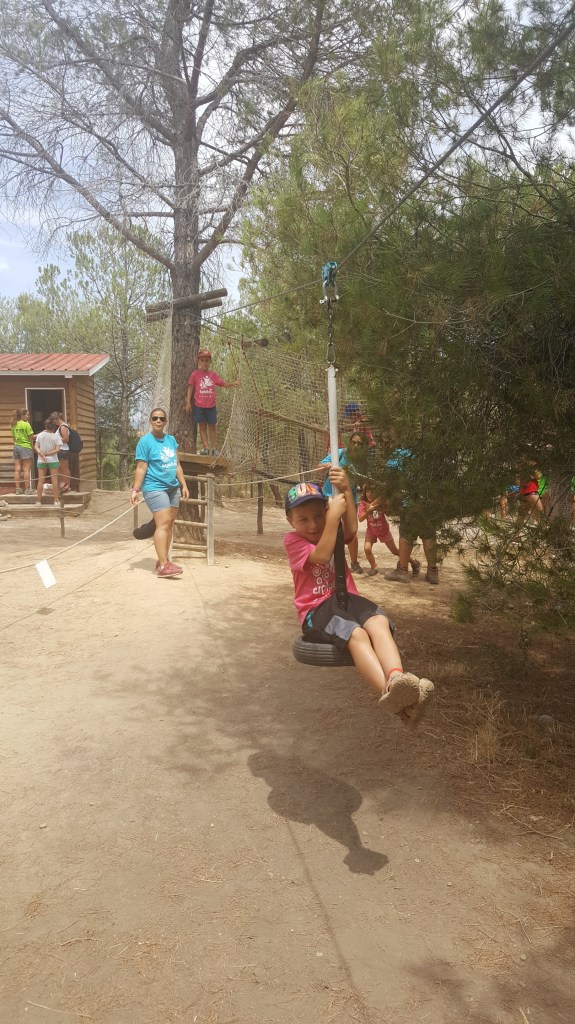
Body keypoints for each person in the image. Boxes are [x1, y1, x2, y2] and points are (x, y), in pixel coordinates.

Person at [284, 471, 434, 728]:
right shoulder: (293, 540)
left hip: (347, 600)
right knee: (357, 634)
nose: (313, 525)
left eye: (319, 515)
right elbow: (321, 556)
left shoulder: (331, 527)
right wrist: (332, 518)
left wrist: (347, 491)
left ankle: (397, 679)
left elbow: (351, 530)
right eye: (303, 519)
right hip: (316, 610)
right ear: (290, 521)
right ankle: (390, 695)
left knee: (378, 621)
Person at [130, 408, 190, 578]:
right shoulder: (145, 442)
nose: (158, 421)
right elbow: (141, 467)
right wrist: (135, 490)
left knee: (169, 523)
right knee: (162, 524)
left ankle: (163, 560)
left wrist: (184, 485)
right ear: (150, 421)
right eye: (155, 418)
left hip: (172, 487)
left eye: (161, 418)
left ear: (165, 421)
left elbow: (177, 465)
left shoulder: (171, 440)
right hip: (154, 487)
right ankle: (164, 566)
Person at [382, 448, 440, 585]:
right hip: (429, 500)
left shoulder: (402, 452)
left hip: (409, 502)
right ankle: (433, 572)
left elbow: (390, 478)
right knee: (429, 534)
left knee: (406, 534)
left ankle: (402, 570)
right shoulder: (433, 451)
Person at [318, 432, 364, 573]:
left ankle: (354, 563)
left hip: (349, 498)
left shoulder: (363, 462)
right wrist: (325, 465)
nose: (356, 445)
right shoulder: (340, 453)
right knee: (327, 527)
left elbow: (363, 483)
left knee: (351, 531)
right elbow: (319, 467)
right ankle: (327, 560)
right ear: (349, 442)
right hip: (329, 495)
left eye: (359, 444)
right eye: (353, 442)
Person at [184, 349, 240, 456]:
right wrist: (188, 403)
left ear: (210, 362)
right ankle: (206, 448)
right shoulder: (195, 374)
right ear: (199, 362)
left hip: (211, 406)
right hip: (199, 405)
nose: (204, 363)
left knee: (212, 427)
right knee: (202, 427)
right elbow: (190, 388)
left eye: (207, 360)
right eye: (202, 360)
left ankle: (214, 449)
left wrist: (233, 384)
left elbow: (223, 384)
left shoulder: (213, 375)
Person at [358, 484, 420, 577]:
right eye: (367, 492)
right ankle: (374, 567)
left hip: (383, 530)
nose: (369, 494)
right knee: (367, 548)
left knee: (395, 551)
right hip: (371, 530)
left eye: (372, 492)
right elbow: (360, 519)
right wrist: (369, 510)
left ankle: (414, 562)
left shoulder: (379, 502)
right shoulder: (363, 503)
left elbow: (389, 513)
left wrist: (384, 507)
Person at [34, 419, 62, 507]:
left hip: (41, 459)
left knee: (40, 480)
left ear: (45, 426)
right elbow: (57, 449)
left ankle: (38, 501)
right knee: (54, 480)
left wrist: (41, 453)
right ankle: (56, 500)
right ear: (54, 427)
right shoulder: (56, 436)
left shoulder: (40, 435)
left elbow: (36, 446)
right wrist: (48, 454)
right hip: (53, 459)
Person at [10, 409, 35, 494]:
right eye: (27, 415)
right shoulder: (26, 424)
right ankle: (27, 489)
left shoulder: (14, 424)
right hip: (26, 447)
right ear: (22, 415)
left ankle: (18, 489)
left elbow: (14, 438)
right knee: (26, 469)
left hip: (16, 446)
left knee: (17, 469)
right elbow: (31, 438)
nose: (28, 416)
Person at [50, 411, 71, 493]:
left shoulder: (63, 426)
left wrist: (55, 440)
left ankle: (66, 485)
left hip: (63, 450)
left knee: (64, 468)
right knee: (61, 469)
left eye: (54, 420)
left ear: (58, 418)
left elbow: (66, 439)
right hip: (60, 450)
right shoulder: (60, 427)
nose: (54, 422)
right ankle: (63, 485)